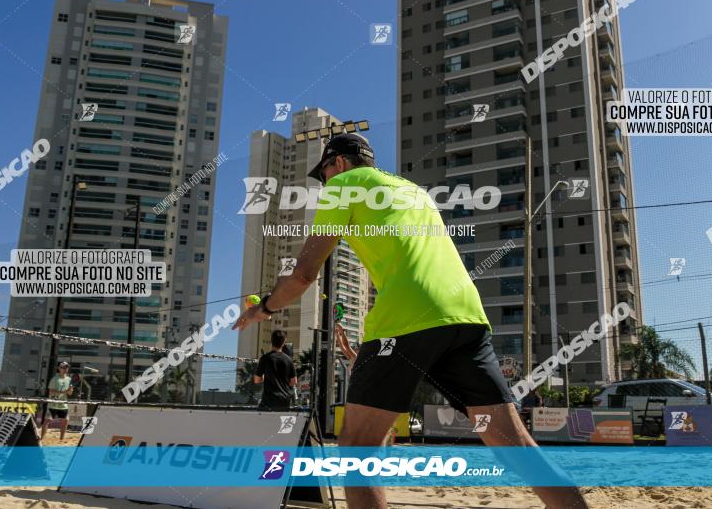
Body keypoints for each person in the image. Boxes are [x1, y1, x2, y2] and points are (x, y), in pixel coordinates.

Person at [234, 133, 588, 509]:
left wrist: (265, 308)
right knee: (513, 444)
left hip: (406, 318)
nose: (324, 184)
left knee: (356, 448)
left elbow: (304, 275)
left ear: (337, 163)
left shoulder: (343, 186)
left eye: (323, 174)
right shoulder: (414, 191)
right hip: (466, 316)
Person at [253, 329, 296, 410]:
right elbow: (293, 382)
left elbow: (256, 380)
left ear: (271, 341)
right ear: (284, 342)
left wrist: (265, 376)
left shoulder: (265, 358)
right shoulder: (289, 360)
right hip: (285, 401)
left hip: (269, 401)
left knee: (260, 420)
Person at [42, 361, 73, 441]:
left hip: (63, 404)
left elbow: (69, 393)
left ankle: (61, 440)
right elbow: (51, 391)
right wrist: (64, 392)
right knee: (47, 421)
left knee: (65, 421)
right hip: (53, 404)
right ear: (59, 368)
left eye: (66, 367)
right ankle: (41, 439)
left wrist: (70, 390)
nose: (65, 369)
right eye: (63, 367)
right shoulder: (54, 379)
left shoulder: (69, 379)